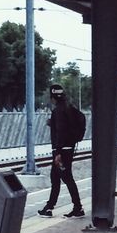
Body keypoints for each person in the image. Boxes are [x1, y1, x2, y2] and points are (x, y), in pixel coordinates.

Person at [37, 84, 85, 217]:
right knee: (55, 177)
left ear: (53, 97)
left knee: (67, 178)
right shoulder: (69, 109)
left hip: (61, 151)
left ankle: (78, 207)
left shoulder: (58, 111)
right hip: (68, 148)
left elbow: (61, 132)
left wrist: (57, 153)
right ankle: (49, 207)